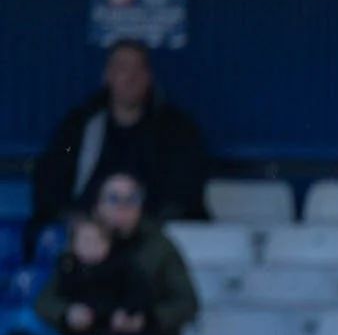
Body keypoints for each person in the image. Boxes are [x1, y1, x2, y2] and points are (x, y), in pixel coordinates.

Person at [28, 39, 208, 260]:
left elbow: (185, 189)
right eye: (122, 68)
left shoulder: (176, 131)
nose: (130, 77)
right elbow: (55, 170)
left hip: (153, 236)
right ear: (107, 75)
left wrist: (141, 222)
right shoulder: (77, 128)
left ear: (148, 77)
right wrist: (77, 219)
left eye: (138, 69)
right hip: (88, 235)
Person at [34, 173, 199, 335]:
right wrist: (68, 314)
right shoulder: (81, 243)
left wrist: (147, 319)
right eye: (114, 199)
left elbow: (187, 303)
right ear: (97, 205)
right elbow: (45, 301)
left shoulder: (160, 246)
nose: (123, 206)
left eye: (131, 199)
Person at [33, 212, 144, 335]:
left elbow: (138, 296)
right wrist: (67, 313)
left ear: (108, 243)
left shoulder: (124, 268)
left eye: (98, 240)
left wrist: (127, 314)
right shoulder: (67, 269)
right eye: (86, 241)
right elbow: (44, 302)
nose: (92, 247)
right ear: (73, 244)